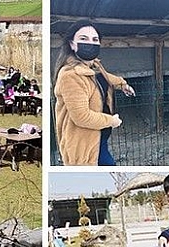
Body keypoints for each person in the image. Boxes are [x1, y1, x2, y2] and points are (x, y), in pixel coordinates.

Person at [53, 20, 135, 166]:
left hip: (98, 136)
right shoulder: (70, 75)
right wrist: (112, 121)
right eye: (83, 39)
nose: (90, 43)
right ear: (72, 44)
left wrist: (122, 84)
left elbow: (104, 77)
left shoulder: (93, 65)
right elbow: (81, 117)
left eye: (95, 39)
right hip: (83, 143)